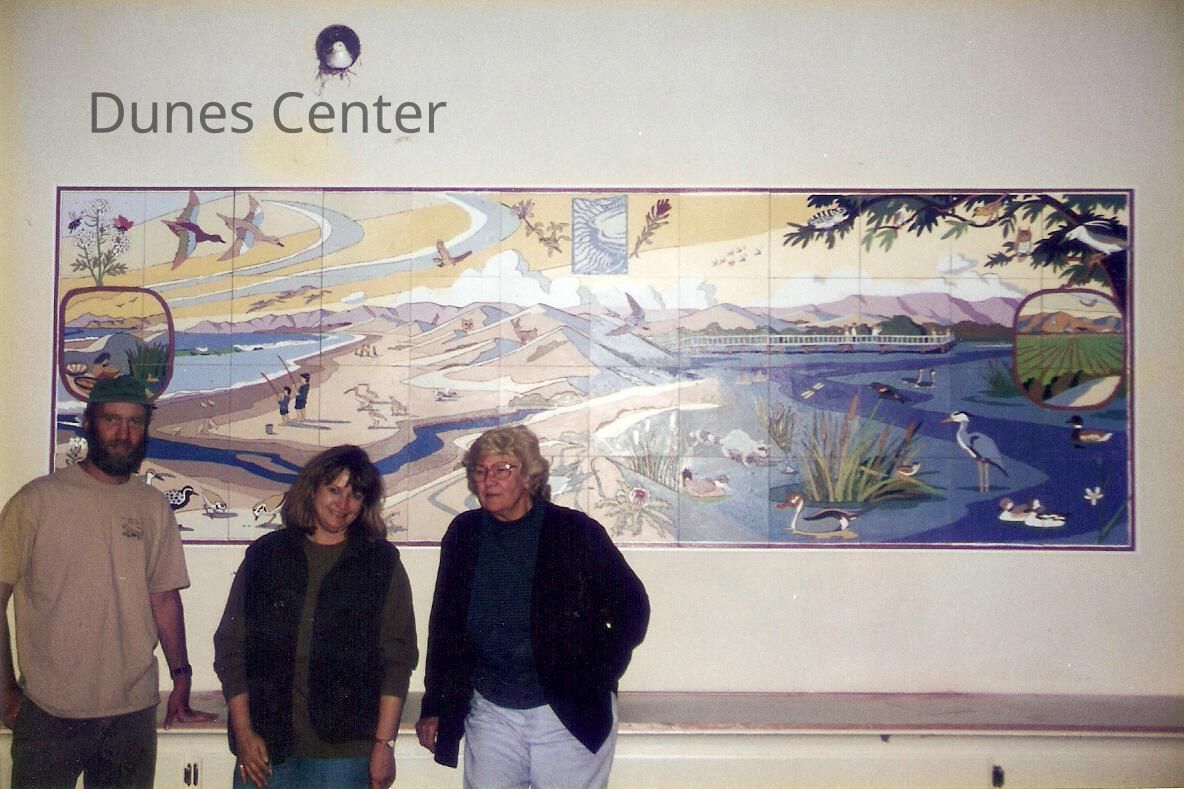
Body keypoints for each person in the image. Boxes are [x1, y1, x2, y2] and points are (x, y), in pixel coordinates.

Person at [0, 375, 215, 788]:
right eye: (112, 420)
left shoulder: (153, 506)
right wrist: (5, 691)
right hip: (48, 713)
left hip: (131, 715)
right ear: (88, 423)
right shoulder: (35, 501)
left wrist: (182, 678)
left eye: (135, 422)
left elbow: (164, 599)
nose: (123, 434)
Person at [415, 425, 649, 788]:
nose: (488, 480)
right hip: (491, 711)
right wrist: (435, 705)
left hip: (565, 714)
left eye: (502, 469)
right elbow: (445, 627)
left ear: (528, 477)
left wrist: (598, 673)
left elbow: (632, 608)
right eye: (480, 470)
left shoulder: (573, 532)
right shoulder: (465, 533)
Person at [214, 445, 418, 788]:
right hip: (265, 746)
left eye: (355, 495)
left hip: (344, 752)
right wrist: (244, 732)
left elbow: (397, 660)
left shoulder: (381, 563)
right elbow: (231, 647)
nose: (343, 503)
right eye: (334, 490)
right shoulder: (266, 555)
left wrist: (384, 745)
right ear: (312, 490)